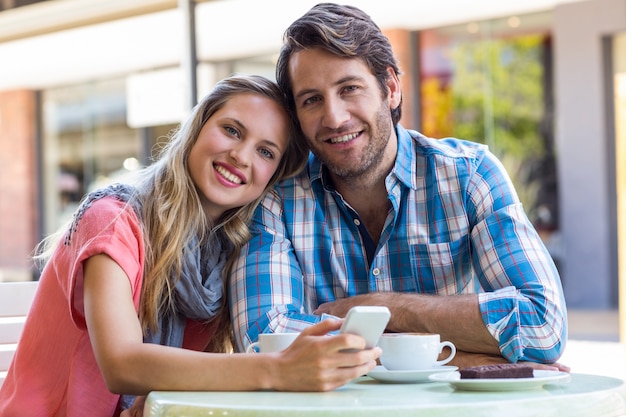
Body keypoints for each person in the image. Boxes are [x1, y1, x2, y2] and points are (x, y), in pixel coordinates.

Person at [0, 75, 381, 417]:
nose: (241, 155)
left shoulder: (224, 256)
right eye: (232, 130)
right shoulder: (113, 217)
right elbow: (121, 364)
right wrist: (279, 368)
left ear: (273, 178)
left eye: (266, 152)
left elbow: (201, 376)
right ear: (197, 128)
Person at [229, 3, 569, 370]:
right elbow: (264, 340)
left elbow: (542, 326)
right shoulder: (276, 199)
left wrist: (384, 308)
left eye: (349, 88)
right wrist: (459, 356)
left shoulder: (470, 176)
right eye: (312, 100)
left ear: (390, 89)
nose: (334, 117)